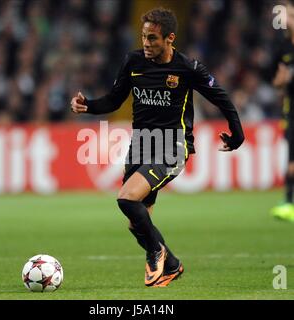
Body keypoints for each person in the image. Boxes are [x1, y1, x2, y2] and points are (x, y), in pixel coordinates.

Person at [71, 8, 244, 287]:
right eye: (143, 37)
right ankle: (172, 264)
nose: (147, 44)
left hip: (172, 146)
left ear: (169, 38)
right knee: (136, 223)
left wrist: (237, 134)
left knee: (127, 198)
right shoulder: (133, 61)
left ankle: (156, 252)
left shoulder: (188, 68)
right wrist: (88, 105)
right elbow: (114, 100)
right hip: (140, 144)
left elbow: (222, 98)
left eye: (152, 38)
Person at [271, 0, 294, 221]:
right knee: (291, 159)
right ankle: (288, 202)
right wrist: (281, 79)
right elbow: (277, 82)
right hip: (292, 110)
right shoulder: (284, 48)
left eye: (289, 15)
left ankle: (289, 201)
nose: (285, 20)